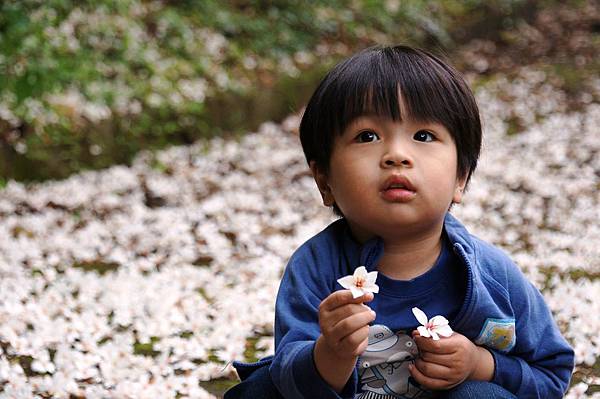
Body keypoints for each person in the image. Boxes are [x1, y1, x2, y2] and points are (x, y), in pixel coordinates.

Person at [224, 45, 574, 399]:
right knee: (261, 390)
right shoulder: (315, 268)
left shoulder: (494, 277)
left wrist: (480, 364)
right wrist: (331, 354)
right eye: (367, 136)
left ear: (460, 179)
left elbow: (550, 374)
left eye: (423, 136)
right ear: (324, 181)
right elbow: (291, 379)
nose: (396, 155)